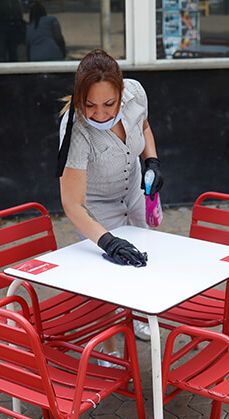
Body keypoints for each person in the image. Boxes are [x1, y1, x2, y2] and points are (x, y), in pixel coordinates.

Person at [56, 49, 164, 345]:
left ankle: (141, 318)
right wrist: (108, 241)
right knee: (108, 279)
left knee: (144, 261)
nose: (100, 114)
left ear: (121, 91)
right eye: (90, 105)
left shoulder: (136, 94)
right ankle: (110, 348)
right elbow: (72, 203)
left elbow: (143, 127)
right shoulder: (74, 128)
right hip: (96, 208)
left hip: (134, 193)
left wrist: (152, 161)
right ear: (79, 97)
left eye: (109, 103)